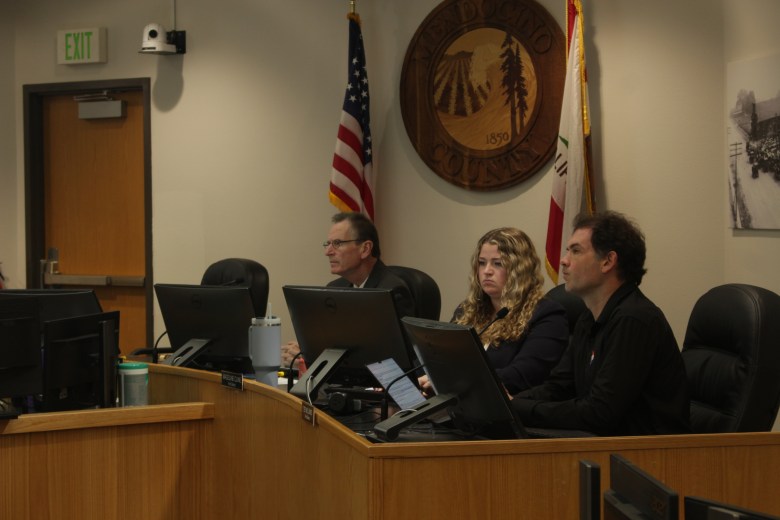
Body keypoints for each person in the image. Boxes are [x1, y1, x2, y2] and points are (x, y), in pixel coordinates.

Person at [511, 211, 690, 436]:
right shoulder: (589, 316)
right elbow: (559, 387)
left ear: (608, 261)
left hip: (649, 456)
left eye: (576, 251)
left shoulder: (634, 319)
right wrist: (509, 403)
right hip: (607, 445)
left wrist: (517, 408)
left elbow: (599, 413)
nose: (564, 260)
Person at [420, 227, 569, 395]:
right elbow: (443, 359)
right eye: (482, 263)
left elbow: (523, 375)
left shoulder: (547, 315)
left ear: (520, 269)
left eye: (498, 264)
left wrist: (454, 381)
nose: (487, 271)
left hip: (509, 411)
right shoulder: (467, 310)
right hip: (456, 404)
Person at [281, 212, 415, 368]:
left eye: (337, 243)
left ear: (365, 249)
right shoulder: (334, 289)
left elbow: (387, 357)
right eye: (328, 244)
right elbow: (331, 344)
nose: (328, 252)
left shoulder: (391, 292)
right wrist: (305, 354)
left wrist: (315, 358)